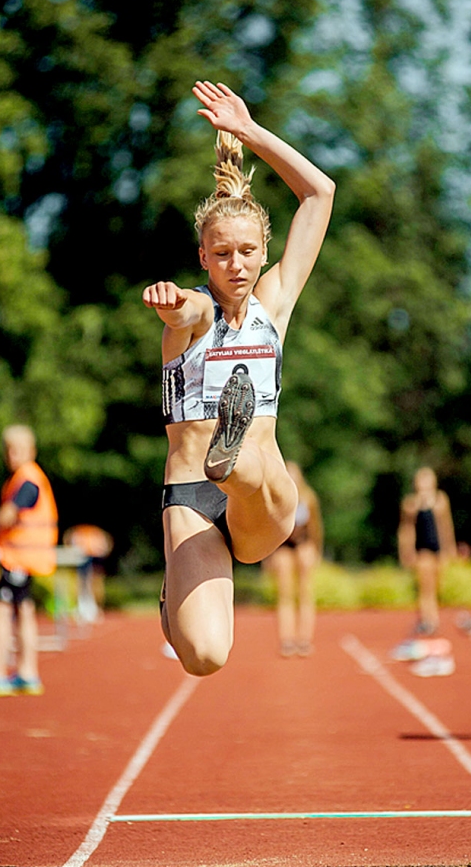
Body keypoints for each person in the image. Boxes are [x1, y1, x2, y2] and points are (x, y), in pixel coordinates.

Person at [142, 80, 335, 677]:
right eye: (222, 254)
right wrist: (172, 304)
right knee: (204, 658)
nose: (238, 265)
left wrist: (250, 132)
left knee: (247, 464)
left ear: (263, 250)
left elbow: (320, 192)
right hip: (192, 497)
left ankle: (237, 454)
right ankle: (174, 596)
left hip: (261, 500)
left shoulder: (273, 303)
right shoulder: (195, 311)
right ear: (203, 257)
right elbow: (188, 314)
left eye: (249, 252)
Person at [0, 425, 58, 696]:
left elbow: (14, 509)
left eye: (16, 450)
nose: (11, 455)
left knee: (0, 609)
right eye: (9, 450)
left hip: (19, 556)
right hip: (28, 556)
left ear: (31, 451)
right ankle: (27, 672)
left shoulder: (27, 478)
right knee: (24, 609)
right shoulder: (30, 476)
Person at [263, 462, 324, 657]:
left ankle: (305, 639)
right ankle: (287, 640)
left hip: (303, 544)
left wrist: (315, 549)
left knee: (305, 592)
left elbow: (315, 526)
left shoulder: (308, 498)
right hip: (283, 546)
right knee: (284, 593)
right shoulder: (276, 497)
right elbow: (270, 525)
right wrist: (267, 553)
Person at [397, 467, 457, 636]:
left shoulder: (440, 500)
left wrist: (449, 547)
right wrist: (406, 551)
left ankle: (433, 617)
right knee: (425, 586)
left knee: (437, 586)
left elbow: (446, 526)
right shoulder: (410, 504)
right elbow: (406, 530)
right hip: (422, 550)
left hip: (438, 549)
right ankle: (427, 620)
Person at [63, 524, 114, 623]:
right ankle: (82, 607)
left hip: (94, 558)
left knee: (94, 583)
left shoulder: (96, 533)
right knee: (81, 583)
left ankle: (94, 608)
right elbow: (68, 539)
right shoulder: (79, 532)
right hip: (81, 558)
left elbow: (106, 543)